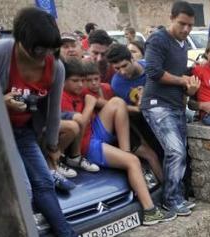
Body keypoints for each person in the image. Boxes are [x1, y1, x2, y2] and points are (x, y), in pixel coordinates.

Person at [0, 7, 102, 237]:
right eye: (38, 51)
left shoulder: (56, 67)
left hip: (25, 131)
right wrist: (1, 101)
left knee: (43, 182)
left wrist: (53, 145)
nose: (43, 58)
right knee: (24, 188)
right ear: (21, 43)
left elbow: (53, 112)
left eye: (49, 51)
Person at [61, 58, 174, 226]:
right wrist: (89, 106)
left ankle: (125, 150)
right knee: (133, 162)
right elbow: (79, 127)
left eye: (83, 81)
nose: (81, 84)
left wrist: (138, 108)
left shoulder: (86, 92)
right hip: (86, 144)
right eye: (76, 81)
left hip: (95, 131)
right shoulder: (64, 97)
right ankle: (150, 212)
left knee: (117, 103)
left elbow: (107, 104)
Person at [141, 1, 198, 216]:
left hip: (176, 105)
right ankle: (171, 200)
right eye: (182, 24)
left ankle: (178, 196)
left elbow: (179, 77)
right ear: (172, 18)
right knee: (175, 151)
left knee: (178, 153)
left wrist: (189, 89)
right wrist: (183, 81)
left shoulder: (183, 45)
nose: (186, 29)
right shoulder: (158, 39)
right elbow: (154, 72)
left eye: (190, 25)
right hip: (157, 105)